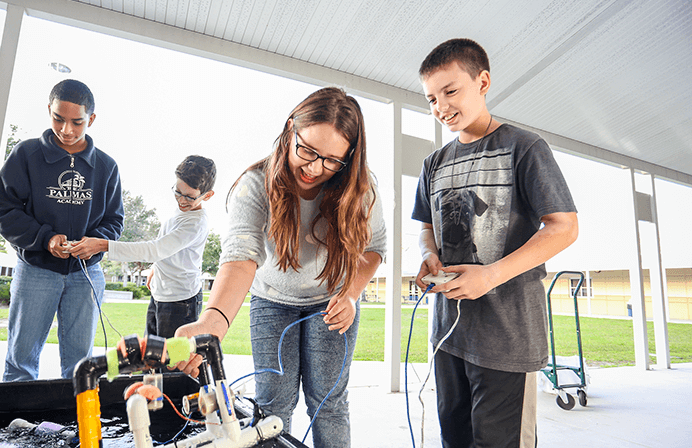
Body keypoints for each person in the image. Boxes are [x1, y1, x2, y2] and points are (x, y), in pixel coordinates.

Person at [173, 87, 386, 448]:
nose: (315, 168)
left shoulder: (361, 188)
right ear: (291, 130)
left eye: (333, 160)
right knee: (271, 409)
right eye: (307, 150)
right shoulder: (254, 185)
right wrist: (212, 323)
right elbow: (241, 257)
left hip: (332, 302)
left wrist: (351, 294)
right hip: (272, 301)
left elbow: (374, 249)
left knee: (329, 405)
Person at [411, 38, 578, 447]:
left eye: (451, 91)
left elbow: (564, 227)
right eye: (432, 98)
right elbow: (426, 228)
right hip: (449, 335)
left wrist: (491, 276)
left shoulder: (524, 147)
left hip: (507, 338)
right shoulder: (433, 163)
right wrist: (428, 255)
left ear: (482, 81)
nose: (441, 106)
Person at [0, 79, 124, 381]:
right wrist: (45, 238)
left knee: (81, 365)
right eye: (58, 119)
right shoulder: (26, 154)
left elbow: (115, 220)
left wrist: (96, 243)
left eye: (77, 122)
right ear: (49, 111)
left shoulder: (106, 166)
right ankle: (17, 424)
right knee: (21, 359)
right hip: (35, 270)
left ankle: (78, 426)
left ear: (91, 119)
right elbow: (2, 208)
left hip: (86, 275)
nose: (66, 130)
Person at [69, 155, 216, 340]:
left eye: (190, 196)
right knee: (152, 357)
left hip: (181, 302)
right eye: (178, 192)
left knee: (171, 363)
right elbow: (169, 247)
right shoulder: (181, 210)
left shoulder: (195, 223)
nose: (182, 200)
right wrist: (156, 266)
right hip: (160, 295)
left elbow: (155, 249)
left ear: (207, 195)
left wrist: (102, 245)